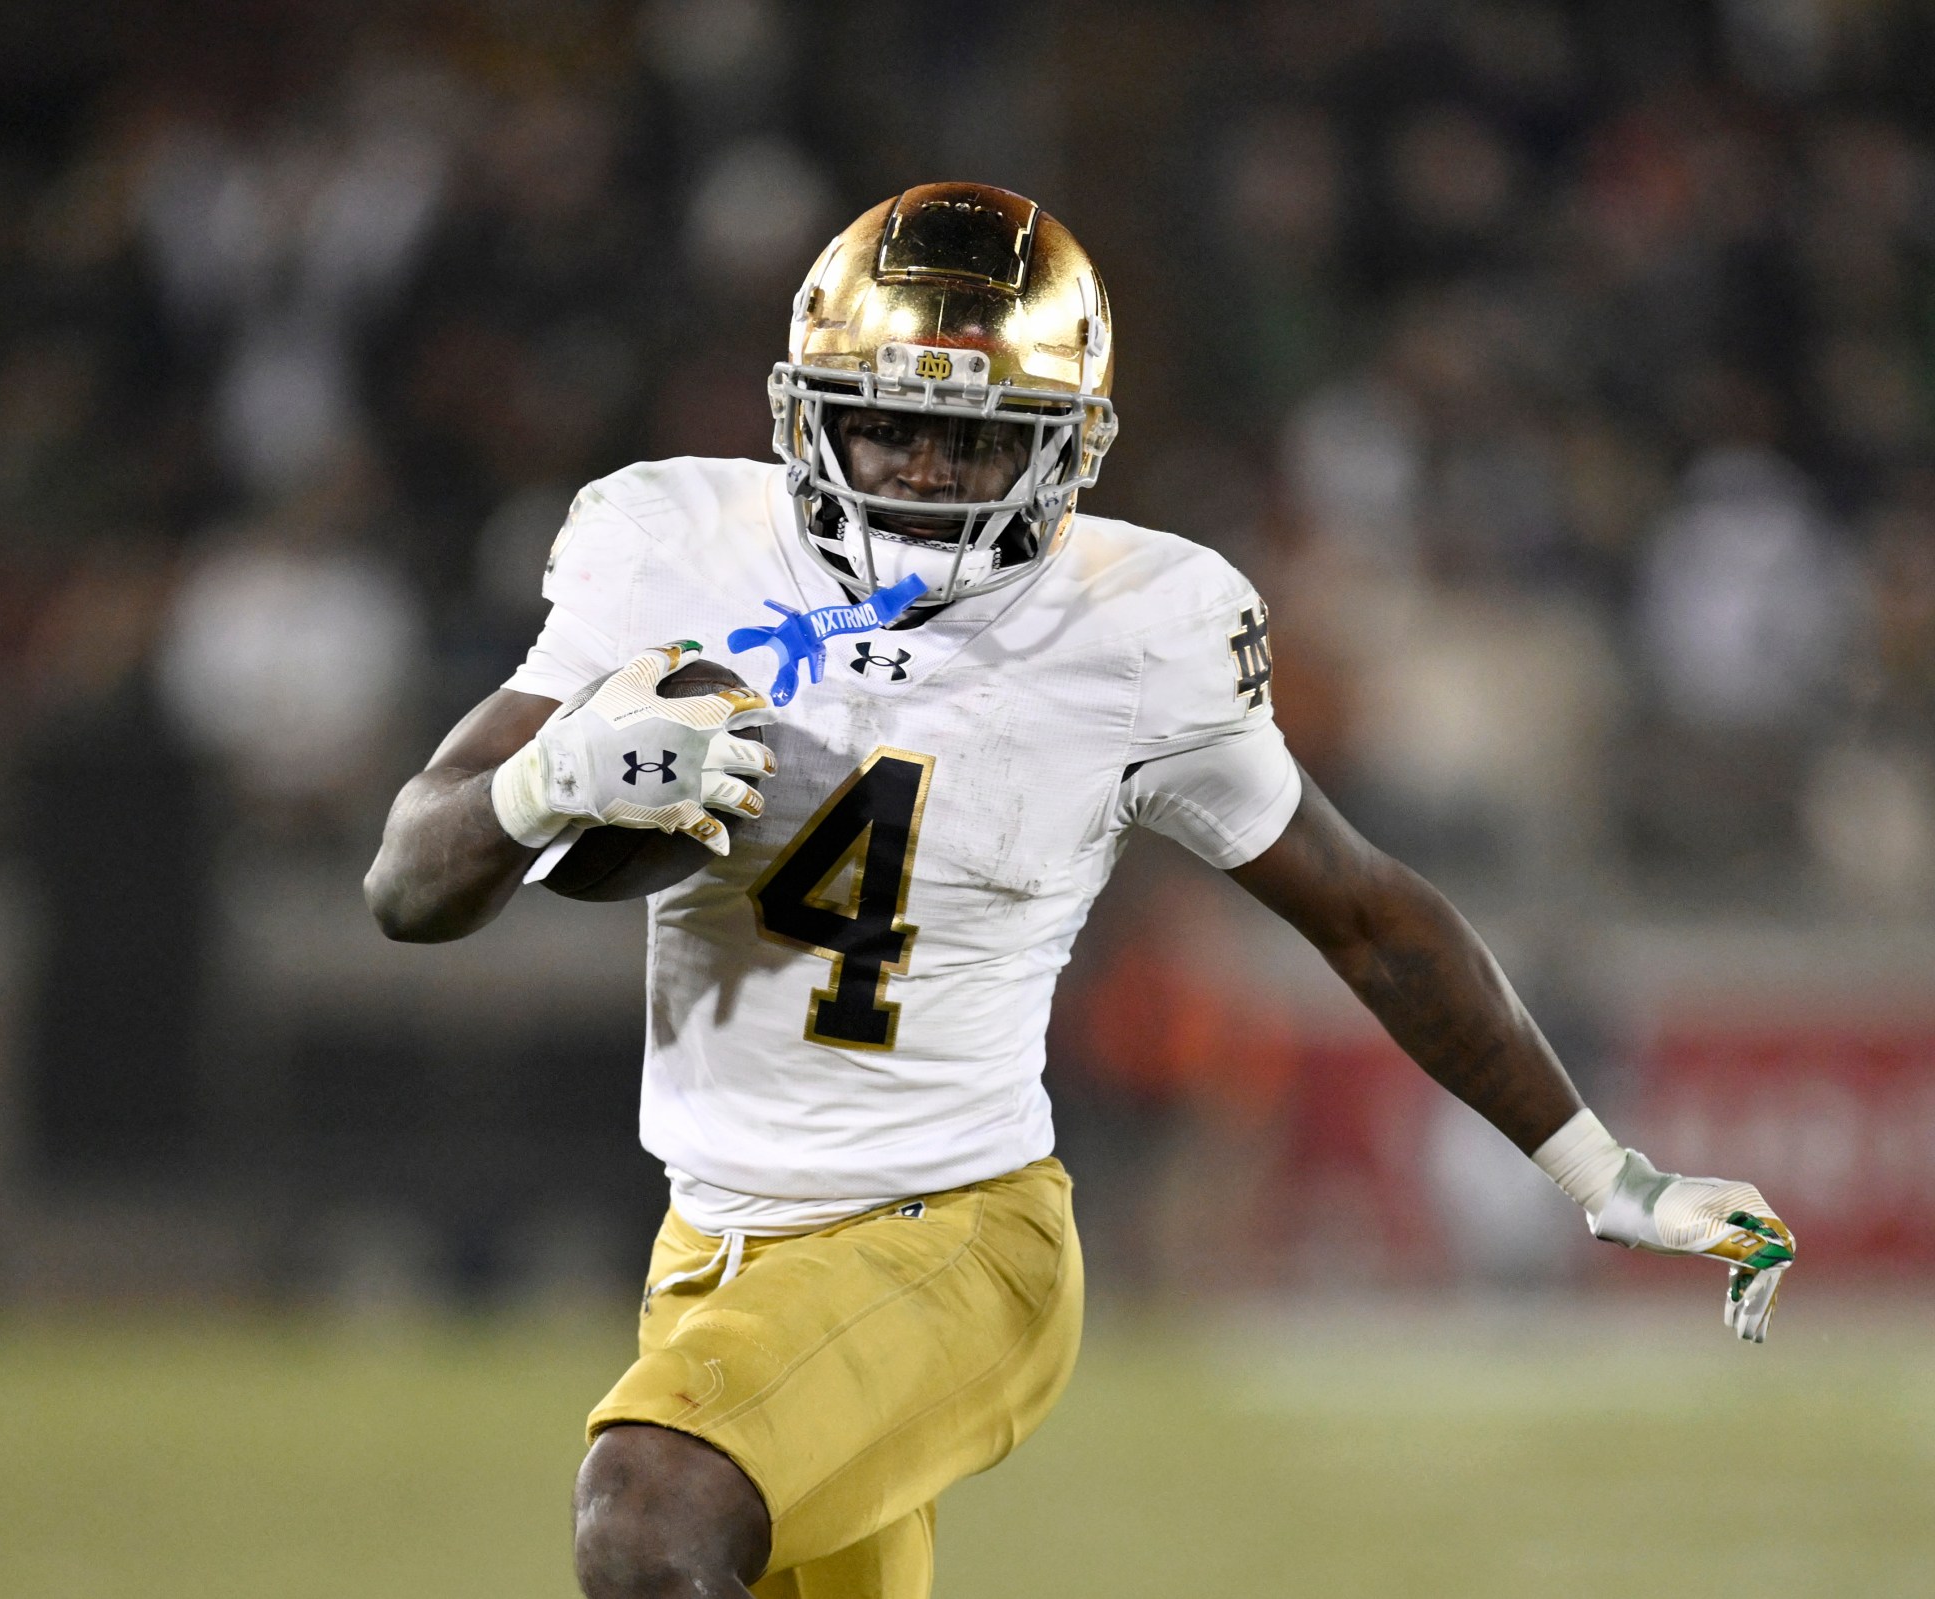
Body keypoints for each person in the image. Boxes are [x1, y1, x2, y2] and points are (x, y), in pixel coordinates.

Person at [364, 184, 1795, 1599]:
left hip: (953, 1235)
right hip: (713, 1238)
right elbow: (409, 885)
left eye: (971, 438)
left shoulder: (1137, 631)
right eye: (887, 422)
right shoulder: (668, 545)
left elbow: (1364, 912)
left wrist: (1601, 1172)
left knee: (648, 1517)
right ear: (804, 410)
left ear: (1063, 450)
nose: (921, 470)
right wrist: (543, 785)